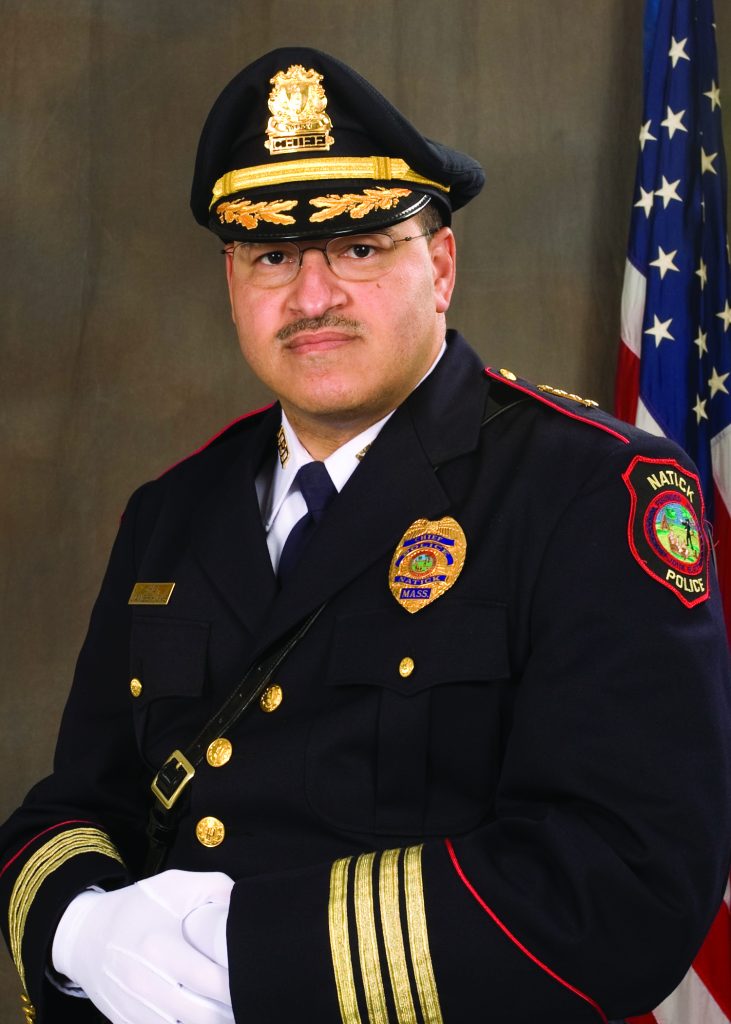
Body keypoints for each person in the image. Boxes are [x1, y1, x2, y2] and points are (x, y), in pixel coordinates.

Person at [0, 45, 730, 1024]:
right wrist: (77, 927)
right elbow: (76, 801)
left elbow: (624, 878)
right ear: (231, 280)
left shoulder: (591, 490)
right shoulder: (170, 512)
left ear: (439, 265)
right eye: (271, 254)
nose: (310, 297)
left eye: (358, 247)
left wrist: (243, 952)